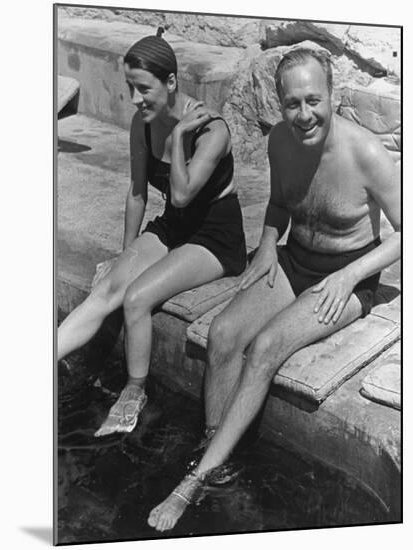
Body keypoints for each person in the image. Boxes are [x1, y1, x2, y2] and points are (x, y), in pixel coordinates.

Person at [148, 47, 401, 532]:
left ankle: (194, 481)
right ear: (279, 105)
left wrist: (350, 277)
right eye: (292, 104)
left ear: (333, 97)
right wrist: (267, 246)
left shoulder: (366, 153)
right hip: (294, 259)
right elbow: (281, 203)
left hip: (345, 277)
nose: (304, 115)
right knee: (223, 334)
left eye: (314, 100)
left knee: (264, 348)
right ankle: (216, 448)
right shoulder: (280, 142)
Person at [57, 28, 247, 437]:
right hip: (174, 228)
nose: (134, 99)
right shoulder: (142, 124)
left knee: (137, 298)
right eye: (130, 87)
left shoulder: (213, 131)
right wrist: (125, 258)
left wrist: (178, 136)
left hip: (214, 237)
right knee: (109, 287)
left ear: (172, 82)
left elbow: (180, 195)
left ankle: (134, 391)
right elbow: (137, 193)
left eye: (143, 88)